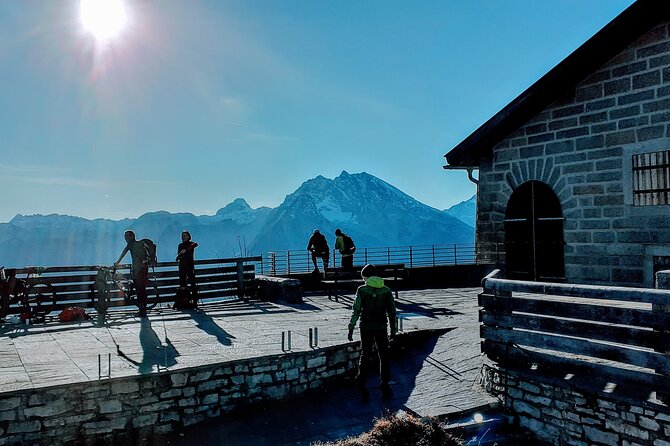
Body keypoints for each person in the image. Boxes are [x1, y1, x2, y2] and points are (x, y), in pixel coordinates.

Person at [347, 264, 397, 401]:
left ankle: (361, 381)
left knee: (365, 354)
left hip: (366, 326)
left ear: (366, 277)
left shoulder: (362, 289)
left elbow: (356, 309)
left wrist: (351, 327)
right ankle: (385, 383)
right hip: (381, 326)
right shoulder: (386, 290)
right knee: (384, 355)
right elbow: (392, 312)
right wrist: (394, 331)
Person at [114, 230, 150, 318]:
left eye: (127, 236)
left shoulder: (130, 244)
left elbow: (124, 252)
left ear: (131, 237)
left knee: (139, 291)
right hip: (144, 269)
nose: (126, 238)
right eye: (125, 236)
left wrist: (118, 262)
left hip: (137, 270)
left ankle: (142, 311)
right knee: (142, 290)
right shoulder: (140, 244)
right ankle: (143, 310)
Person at [176, 230, 199, 306]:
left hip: (189, 266)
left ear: (189, 236)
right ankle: (184, 301)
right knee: (182, 284)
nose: (183, 237)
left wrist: (185, 250)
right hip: (182, 267)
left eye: (185, 235)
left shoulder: (191, 244)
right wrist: (179, 255)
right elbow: (178, 255)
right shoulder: (180, 245)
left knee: (192, 284)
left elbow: (196, 244)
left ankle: (195, 301)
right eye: (183, 236)